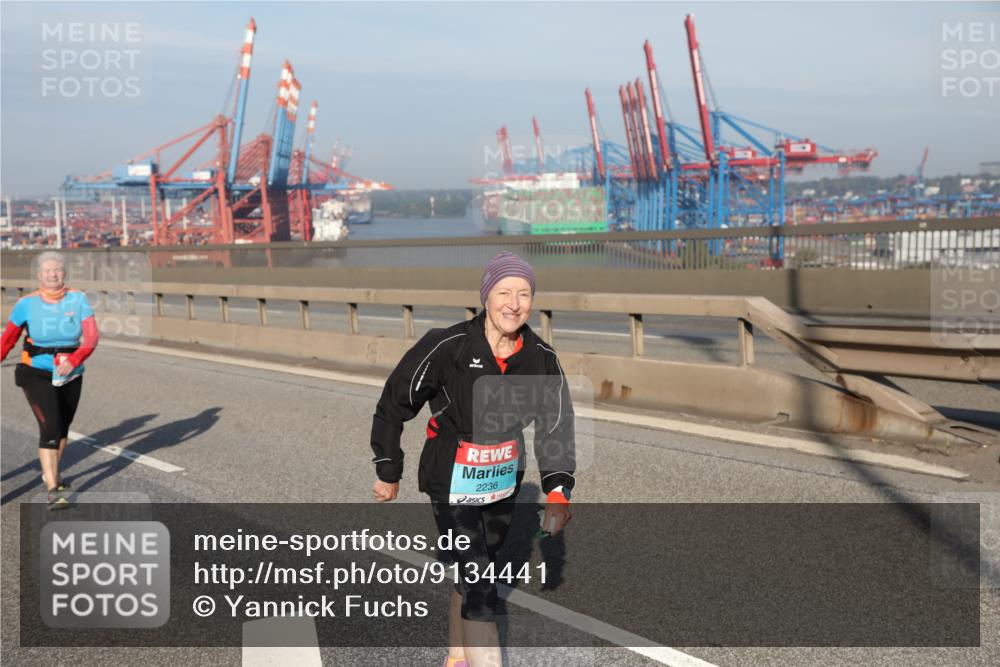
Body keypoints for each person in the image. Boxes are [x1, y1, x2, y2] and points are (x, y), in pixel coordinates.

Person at [370, 251, 575, 667]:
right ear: (486, 297)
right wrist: (388, 469)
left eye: (524, 294)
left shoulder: (541, 358)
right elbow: (394, 402)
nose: (514, 304)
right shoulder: (448, 346)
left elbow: (556, 426)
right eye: (504, 292)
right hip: (451, 479)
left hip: (502, 480)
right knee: (482, 586)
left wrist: (557, 491)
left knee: (474, 575)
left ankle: (457, 658)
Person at [1, 251, 99, 510]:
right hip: (35, 371)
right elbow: (8, 339)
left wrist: (75, 359)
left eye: (57, 270)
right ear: (39, 275)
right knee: (51, 426)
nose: (53, 274)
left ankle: (50, 473)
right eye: (47, 271)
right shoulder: (26, 304)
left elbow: (91, 338)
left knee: (63, 426)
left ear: (64, 273)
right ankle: (53, 491)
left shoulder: (78, 299)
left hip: (70, 372)